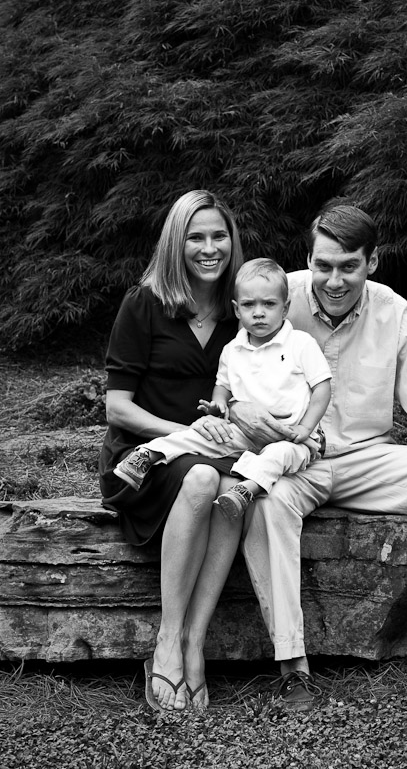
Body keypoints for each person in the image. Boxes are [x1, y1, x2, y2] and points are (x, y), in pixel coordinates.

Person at [220, 200, 407, 710]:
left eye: (349, 266)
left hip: (368, 459)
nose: (334, 280)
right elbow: (231, 370)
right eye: (323, 265)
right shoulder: (276, 298)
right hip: (292, 457)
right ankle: (293, 669)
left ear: (372, 261)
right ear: (308, 259)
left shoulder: (397, 314)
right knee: (264, 502)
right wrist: (238, 411)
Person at [99, 189, 246, 713]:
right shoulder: (144, 304)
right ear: (174, 244)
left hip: (217, 454)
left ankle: (194, 643)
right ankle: (167, 639)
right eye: (195, 237)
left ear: (232, 241)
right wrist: (183, 432)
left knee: (233, 490)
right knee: (203, 478)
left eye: (219, 236)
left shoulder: (243, 310)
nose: (209, 248)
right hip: (142, 459)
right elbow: (117, 407)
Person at [113, 258, 332, 520]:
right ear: (237, 310)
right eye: (249, 305)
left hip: (291, 436)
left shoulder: (300, 343)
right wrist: (218, 405)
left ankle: (245, 490)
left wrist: (305, 428)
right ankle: (148, 455)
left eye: (269, 304)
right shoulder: (232, 349)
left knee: (279, 455)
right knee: (203, 436)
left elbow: (322, 388)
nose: (259, 312)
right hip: (245, 433)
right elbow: (222, 386)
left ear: (285, 308)